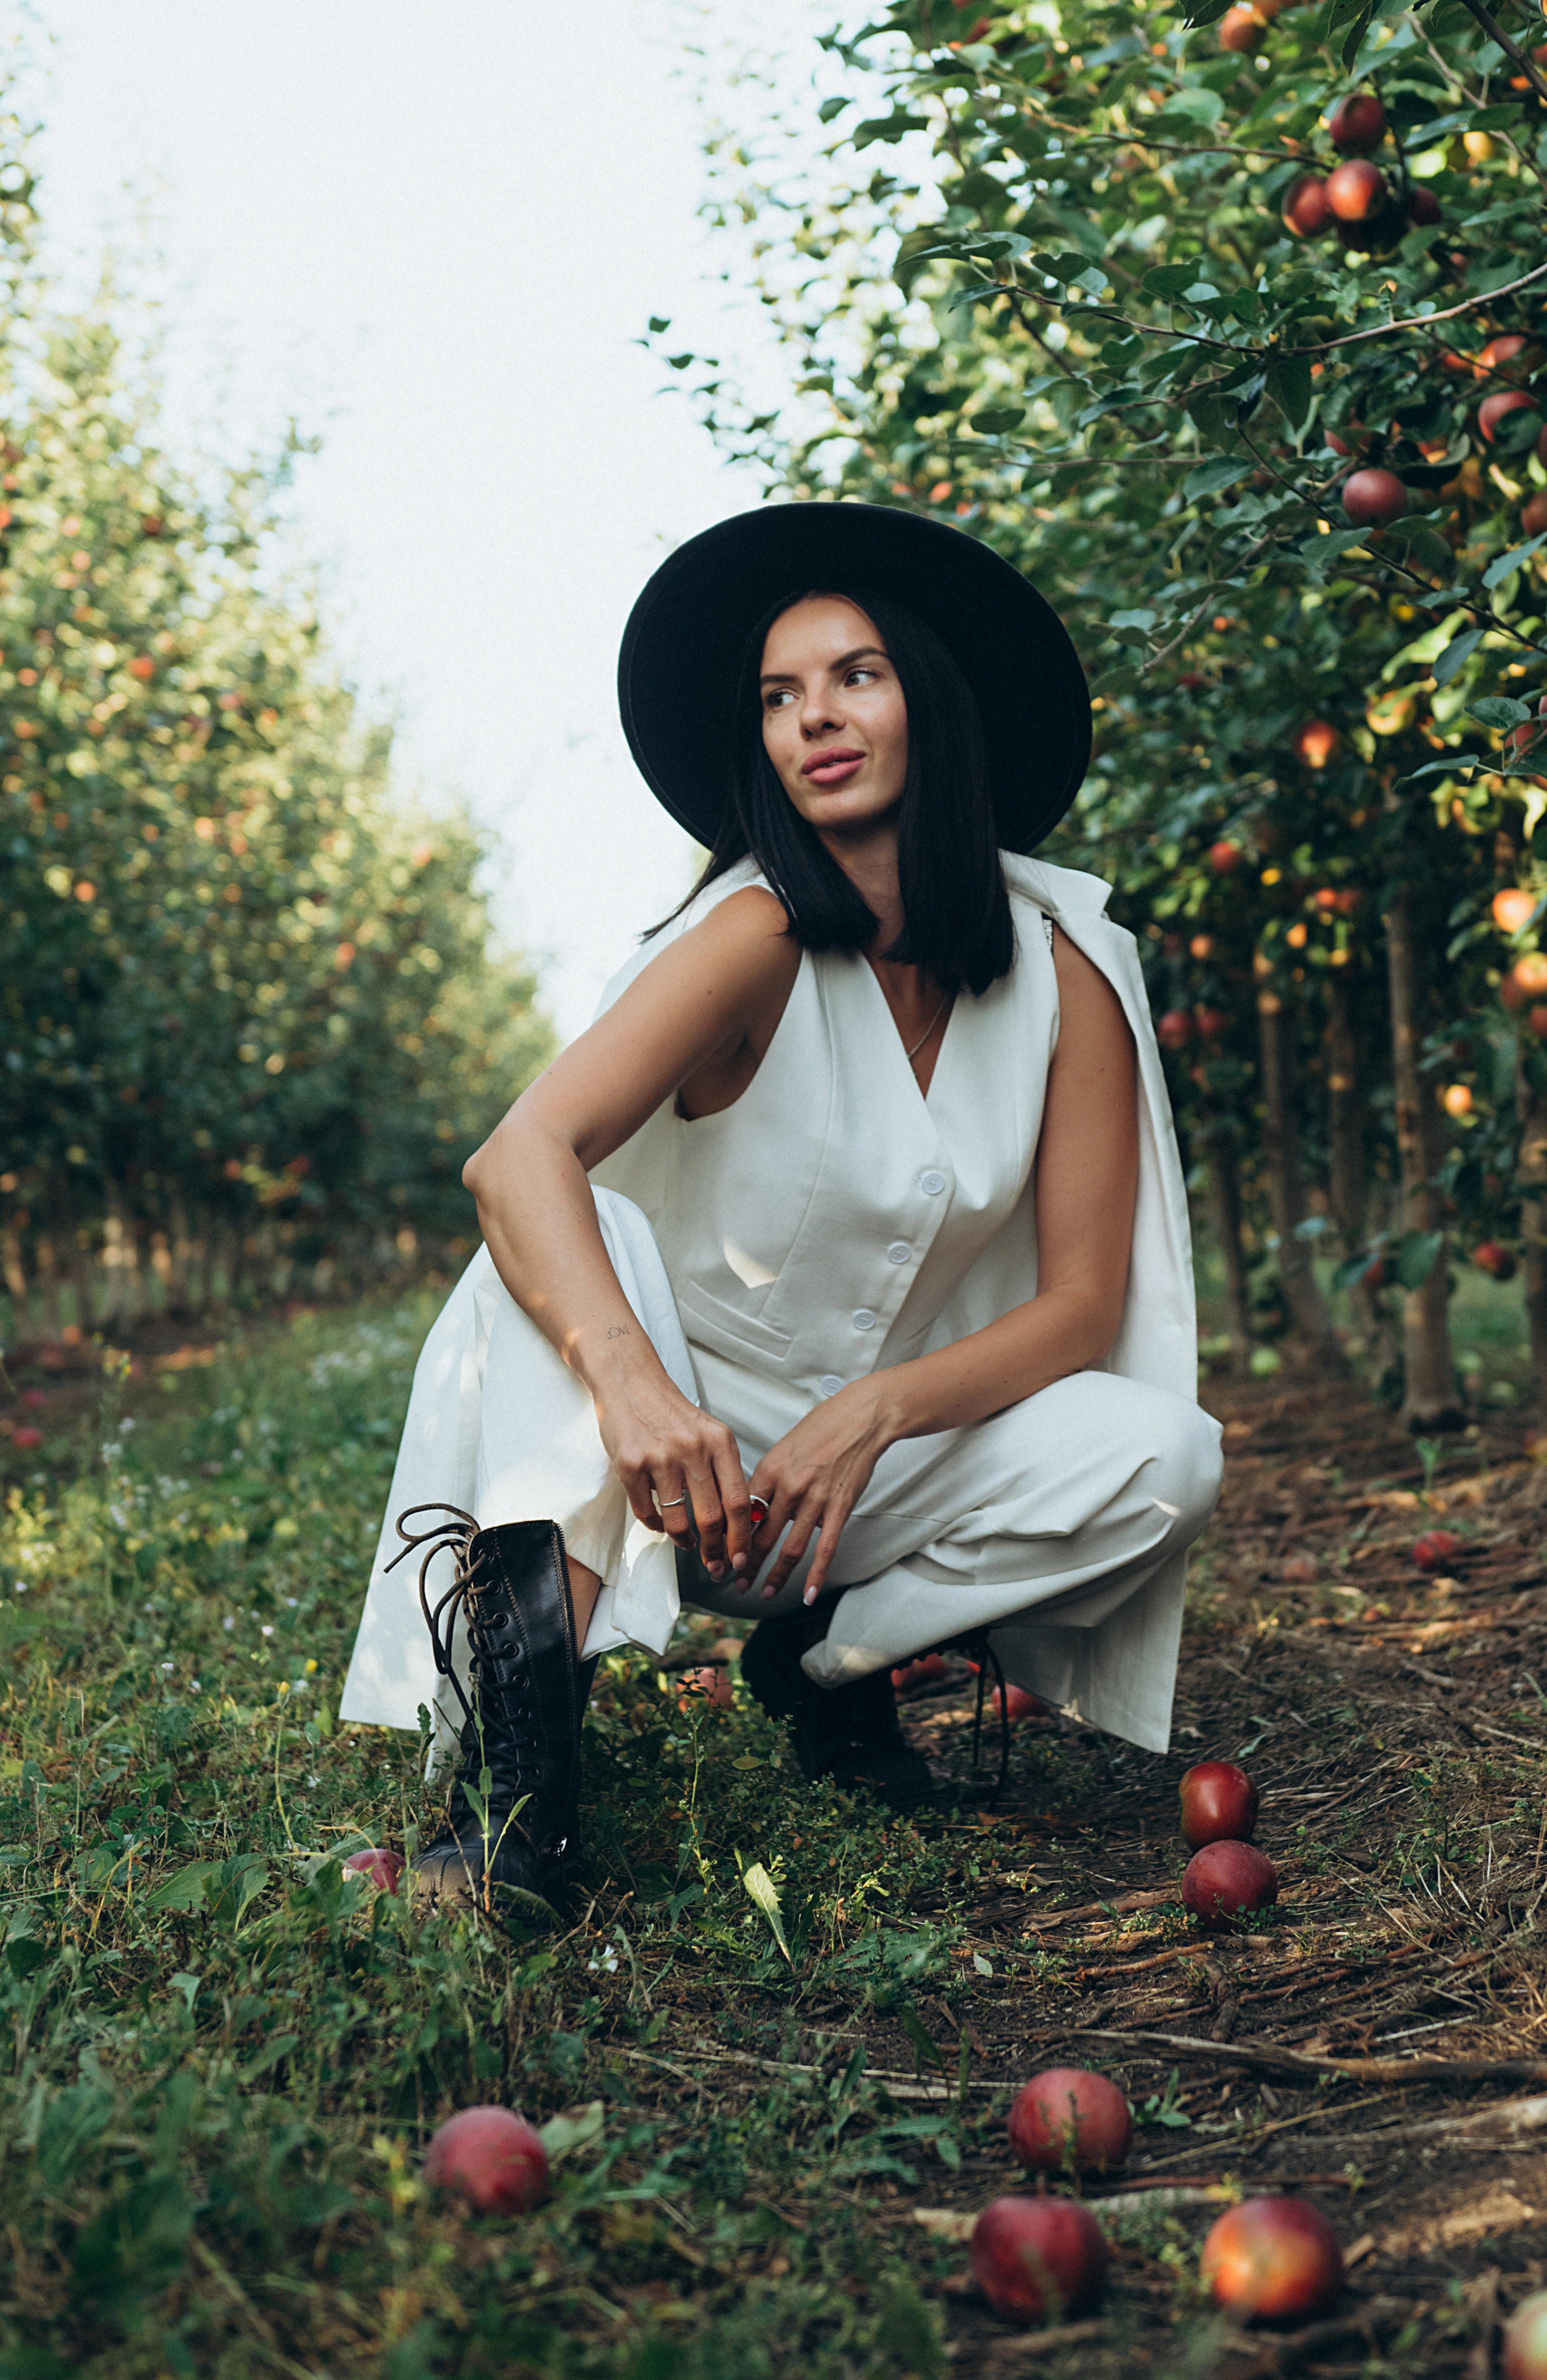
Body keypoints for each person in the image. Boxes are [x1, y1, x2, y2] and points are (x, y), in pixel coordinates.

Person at [339, 501, 1223, 1911]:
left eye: (852, 676)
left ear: (929, 699)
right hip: (653, 1454)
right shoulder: (752, 933)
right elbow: (517, 1154)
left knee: (1159, 1450)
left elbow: (1078, 1306)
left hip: (847, 1485)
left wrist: (876, 1413)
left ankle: (821, 1664)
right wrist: (632, 1387)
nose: (812, 716)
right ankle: (516, 1820)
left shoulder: (1061, 980)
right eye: (777, 694)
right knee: (568, 1245)